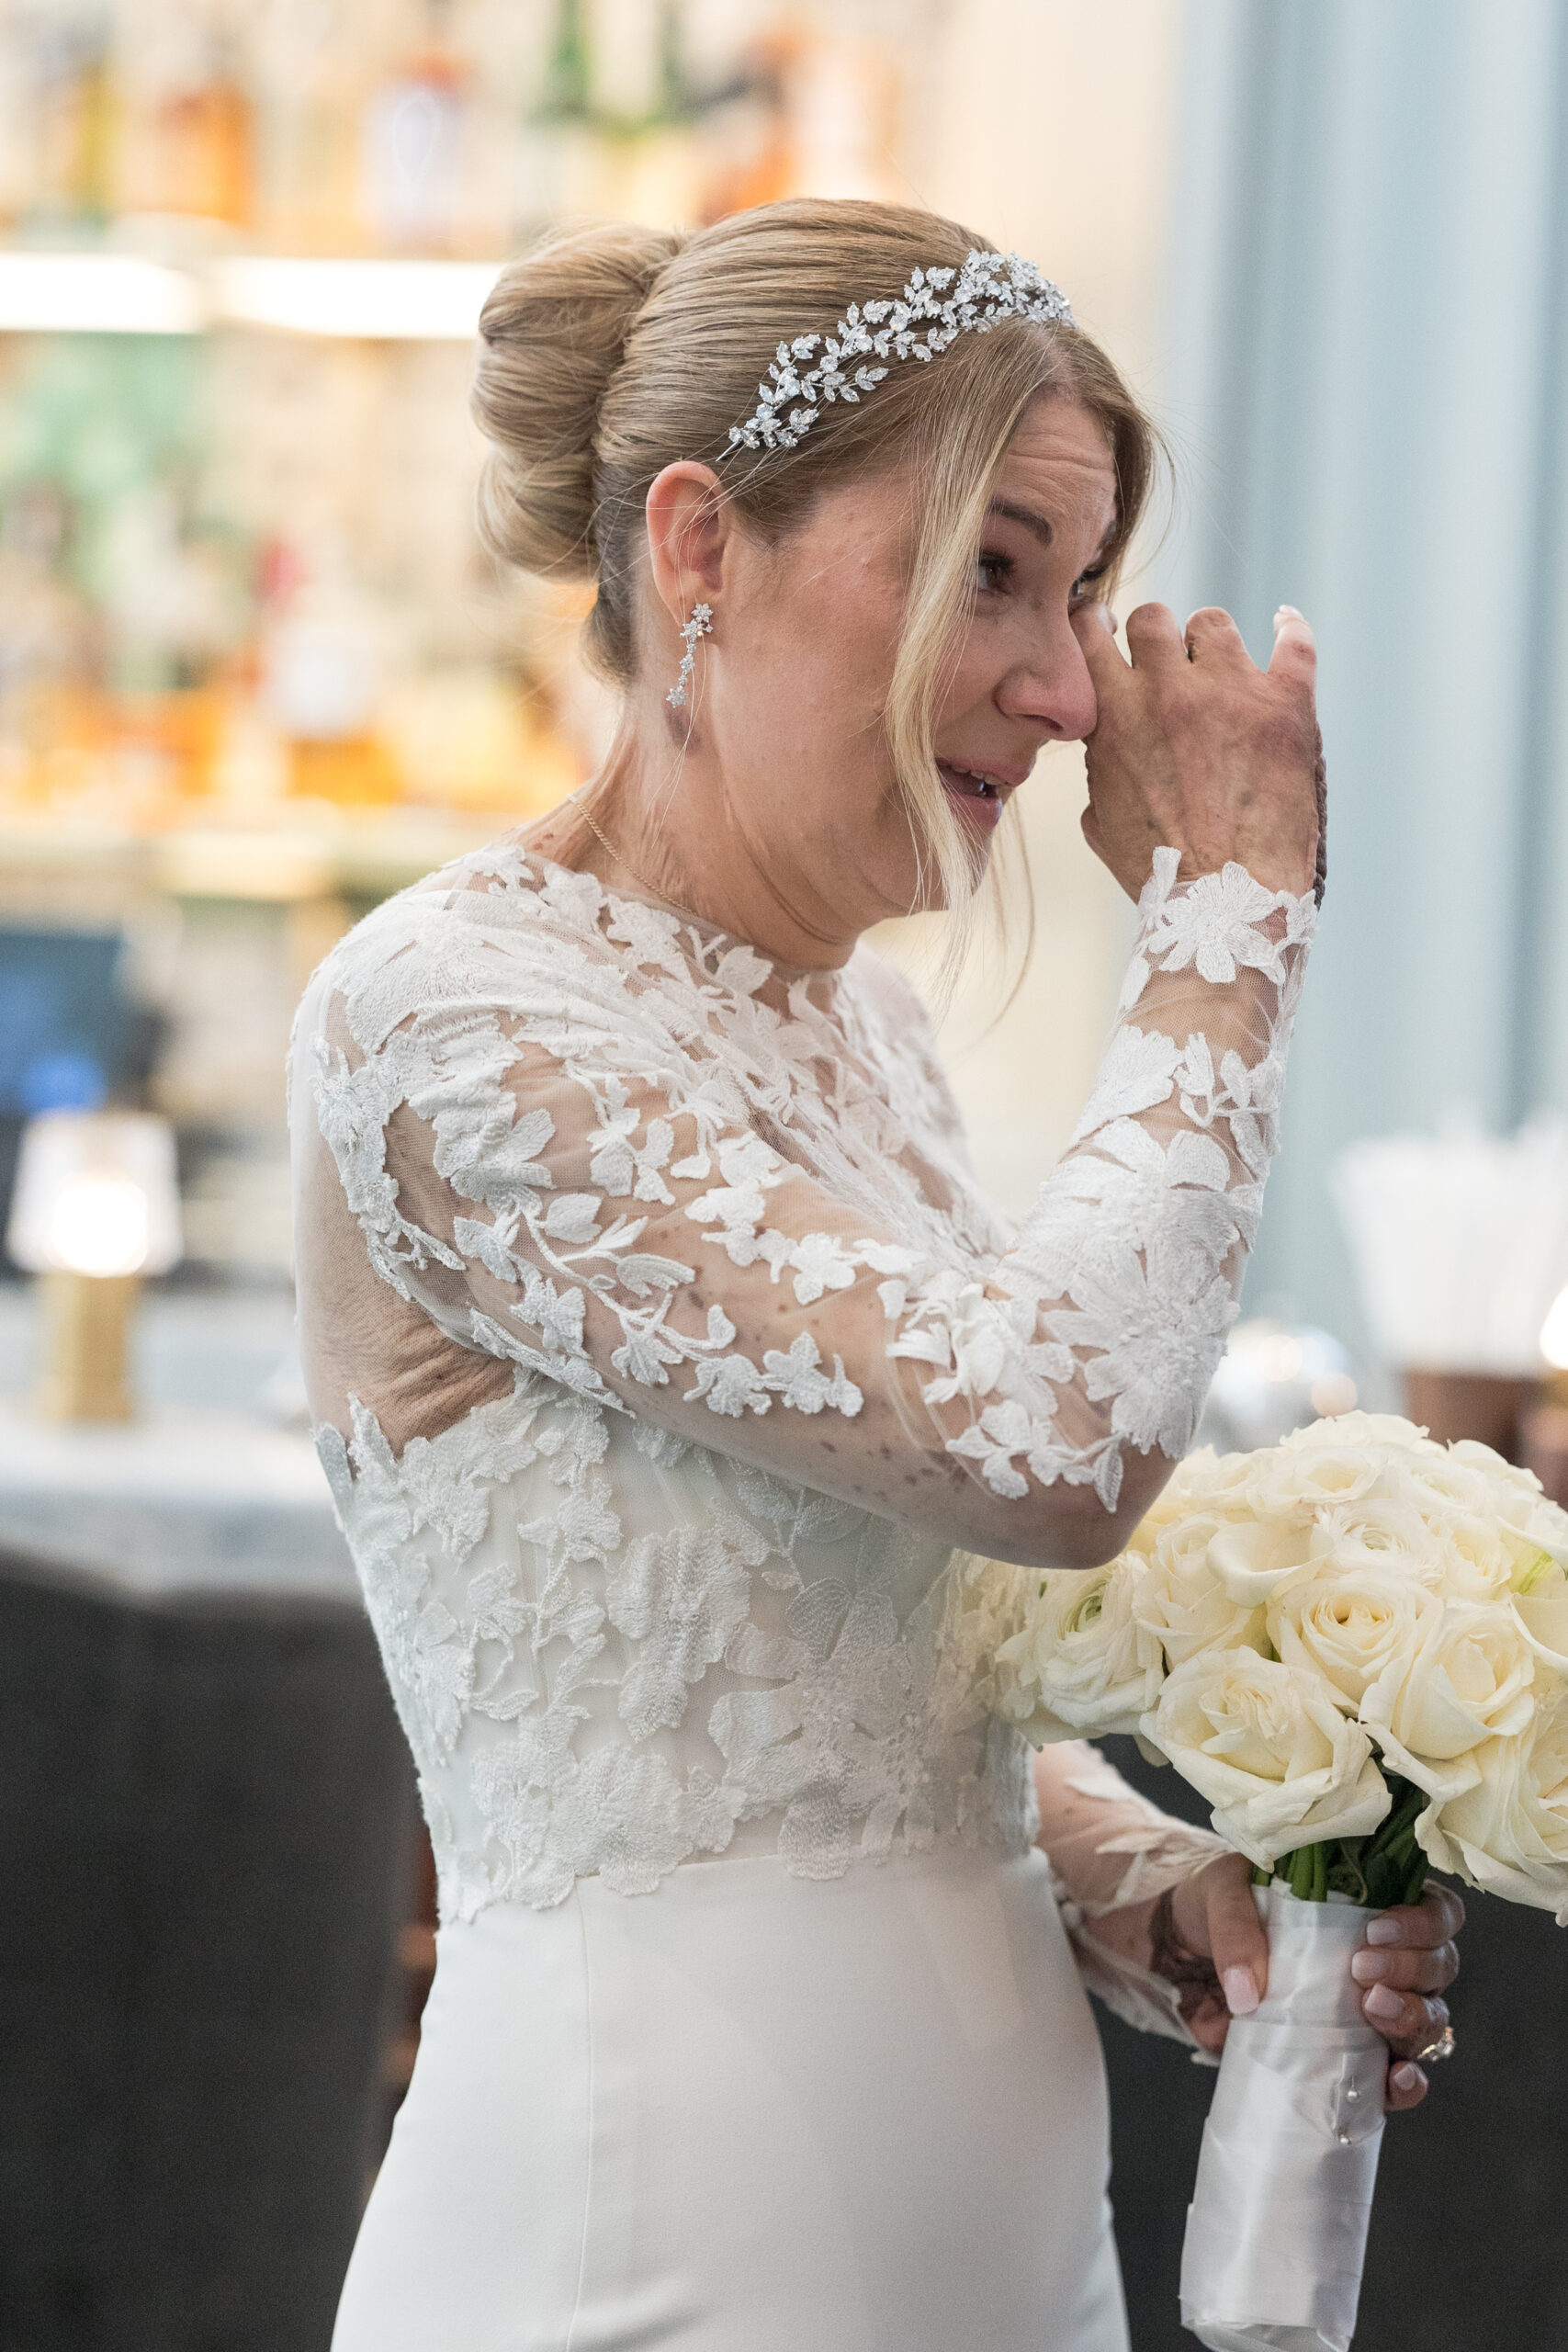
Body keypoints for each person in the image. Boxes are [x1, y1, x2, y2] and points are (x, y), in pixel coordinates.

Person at [290, 199, 1462, 2352]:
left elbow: (866, 1688)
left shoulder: (866, 1036)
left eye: (1079, 589)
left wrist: (1134, 1873)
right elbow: (1050, 1446)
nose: (1064, 684)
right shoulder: (447, 1017)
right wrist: (1223, 916)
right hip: (646, 2230)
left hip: (993, 2234)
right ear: (698, 549)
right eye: (992, 568)